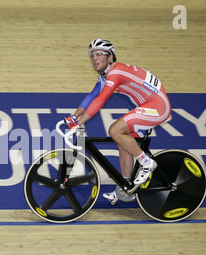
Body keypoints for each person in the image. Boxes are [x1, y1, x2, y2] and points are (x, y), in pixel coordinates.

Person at [64, 38, 171, 203]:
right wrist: (74, 116)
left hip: (158, 106)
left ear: (111, 57)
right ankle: (126, 186)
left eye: (99, 54)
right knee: (123, 140)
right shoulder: (105, 75)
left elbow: (100, 100)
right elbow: (92, 96)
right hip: (149, 104)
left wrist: (79, 122)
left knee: (115, 130)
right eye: (92, 55)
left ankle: (147, 163)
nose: (95, 58)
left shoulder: (116, 72)